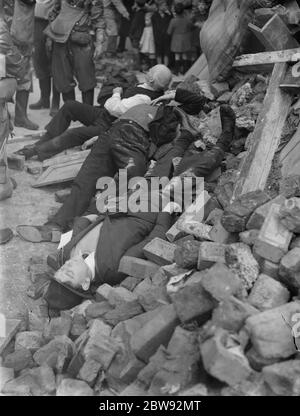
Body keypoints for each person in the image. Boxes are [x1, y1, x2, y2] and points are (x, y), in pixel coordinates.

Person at [42, 103, 236, 310]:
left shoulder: (68, 252)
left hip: (133, 197)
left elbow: (81, 226)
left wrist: (91, 217)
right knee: (198, 168)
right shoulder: (113, 269)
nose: (68, 265)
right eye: (70, 273)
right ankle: (226, 137)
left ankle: (187, 133)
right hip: (158, 204)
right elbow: (150, 241)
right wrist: (166, 211)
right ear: (85, 283)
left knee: (166, 160)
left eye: (63, 269)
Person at [16, 90, 235, 244]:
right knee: (85, 182)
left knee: (123, 188)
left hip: (134, 140)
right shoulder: (155, 104)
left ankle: (79, 231)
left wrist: (174, 96)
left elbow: (197, 100)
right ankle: (57, 226)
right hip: (112, 133)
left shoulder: (181, 117)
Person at [16, 64, 172, 161]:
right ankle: (45, 139)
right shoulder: (148, 87)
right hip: (104, 115)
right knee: (70, 106)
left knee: (73, 134)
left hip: (109, 125)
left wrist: (116, 93)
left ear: (152, 80)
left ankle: (37, 151)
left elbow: (114, 108)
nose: (147, 71)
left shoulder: (144, 98)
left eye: (150, 71)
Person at [44, 0, 105, 106]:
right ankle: (72, 112)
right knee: (63, 80)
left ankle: (87, 114)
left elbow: (99, 20)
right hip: (59, 39)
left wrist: (99, 43)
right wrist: (50, 38)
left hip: (81, 39)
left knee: (86, 79)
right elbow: (54, 12)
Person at [10, 0, 39, 130]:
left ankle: (20, 117)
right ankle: (20, 117)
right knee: (23, 77)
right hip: (17, 34)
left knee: (21, 76)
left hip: (16, 33)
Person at [30, 0, 60, 116]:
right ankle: (44, 99)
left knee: (55, 63)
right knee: (39, 60)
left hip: (52, 21)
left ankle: (55, 102)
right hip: (36, 21)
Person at [167, 2, 194, 74]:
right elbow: (191, 27)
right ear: (183, 11)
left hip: (176, 40)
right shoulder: (187, 20)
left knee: (177, 56)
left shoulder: (173, 21)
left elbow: (169, 32)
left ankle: (176, 71)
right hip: (185, 39)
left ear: (175, 11)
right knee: (185, 55)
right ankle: (185, 71)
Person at [151, 0, 172, 66]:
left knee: (167, 53)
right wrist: (155, 37)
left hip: (166, 37)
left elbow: (171, 24)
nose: (166, 7)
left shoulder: (168, 16)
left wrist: (169, 13)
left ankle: (166, 67)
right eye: (164, 5)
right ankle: (159, 68)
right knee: (158, 53)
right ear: (160, 6)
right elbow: (154, 28)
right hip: (158, 37)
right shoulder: (154, 16)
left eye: (166, 5)